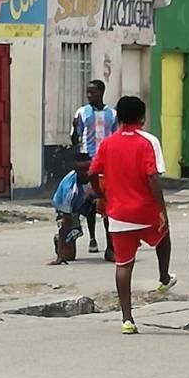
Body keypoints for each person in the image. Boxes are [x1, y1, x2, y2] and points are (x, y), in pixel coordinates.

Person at [90, 96, 177, 335]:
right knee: (164, 236)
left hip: (118, 212)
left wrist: (101, 196)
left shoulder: (107, 143)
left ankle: (127, 319)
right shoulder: (149, 141)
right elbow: (153, 177)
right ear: (143, 117)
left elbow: (92, 173)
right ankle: (164, 276)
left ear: (117, 117)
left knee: (123, 264)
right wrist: (163, 210)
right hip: (145, 210)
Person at [71, 80, 117, 258]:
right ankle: (92, 237)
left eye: (93, 92)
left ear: (101, 92)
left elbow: (116, 135)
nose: (90, 95)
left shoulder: (112, 114)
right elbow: (75, 139)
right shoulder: (82, 113)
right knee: (89, 201)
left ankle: (110, 245)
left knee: (105, 201)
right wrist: (75, 128)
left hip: (107, 162)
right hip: (88, 161)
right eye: (87, 92)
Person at [48, 154, 95, 266]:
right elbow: (66, 221)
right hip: (69, 208)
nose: (86, 173)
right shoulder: (70, 190)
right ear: (76, 170)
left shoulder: (95, 176)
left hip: (85, 201)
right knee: (70, 255)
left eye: (88, 168)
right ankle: (59, 241)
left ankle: (108, 248)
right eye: (82, 170)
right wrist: (60, 256)